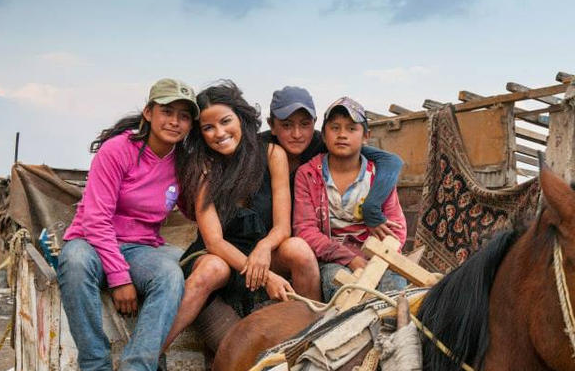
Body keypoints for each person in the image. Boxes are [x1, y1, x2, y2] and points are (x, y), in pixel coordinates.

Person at [57, 78, 198, 371]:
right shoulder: (118, 150)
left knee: (171, 272)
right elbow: (95, 218)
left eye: (183, 115)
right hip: (92, 240)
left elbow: (200, 209)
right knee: (73, 262)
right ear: (148, 113)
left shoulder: (184, 163)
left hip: (142, 247)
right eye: (166, 112)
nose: (174, 121)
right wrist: (119, 278)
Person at [162, 81, 321, 350]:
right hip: (220, 256)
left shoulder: (272, 154)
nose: (219, 133)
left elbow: (282, 226)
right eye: (208, 128)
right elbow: (214, 242)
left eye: (226, 122)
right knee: (213, 267)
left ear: (242, 118)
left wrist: (264, 247)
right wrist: (268, 277)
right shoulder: (204, 167)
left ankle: (316, 336)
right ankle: (152, 354)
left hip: (262, 252)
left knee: (299, 249)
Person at [293, 97, 408, 302]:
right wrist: (349, 258)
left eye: (351, 128)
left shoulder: (377, 175)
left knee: (394, 296)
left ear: (366, 137)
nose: (342, 135)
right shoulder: (308, 175)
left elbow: (396, 228)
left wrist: (379, 261)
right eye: (335, 127)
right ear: (324, 135)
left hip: (379, 258)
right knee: (338, 291)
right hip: (333, 259)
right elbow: (305, 229)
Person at [262, 86, 404, 240]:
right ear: (272, 125)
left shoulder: (325, 144)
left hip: (304, 244)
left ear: (314, 124)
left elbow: (391, 161)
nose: (297, 134)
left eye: (304, 124)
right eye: (286, 125)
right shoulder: (259, 151)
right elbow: (305, 230)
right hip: (273, 239)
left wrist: (371, 208)